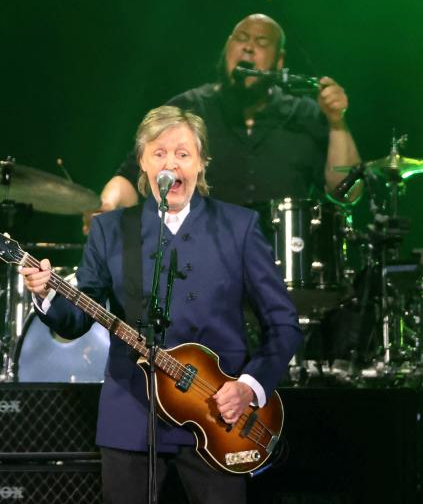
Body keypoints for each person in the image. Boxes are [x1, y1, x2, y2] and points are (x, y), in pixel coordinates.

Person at [21, 106, 302, 503]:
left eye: (183, 154)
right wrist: (46, 292)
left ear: (201, 164)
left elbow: (284, 324)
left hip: (219, 416)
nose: (171, 163)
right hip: (131, 413)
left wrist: (249, 388)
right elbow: (78, 319)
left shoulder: (240, 227)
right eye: (159, 153)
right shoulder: (109, 229)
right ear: (142, 162)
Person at [92, 13, 361, 219]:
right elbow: (130, 177)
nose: (248, 48)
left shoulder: (305, 115)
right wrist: (107, 206)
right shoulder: (187, 110)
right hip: (199, 273)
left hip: (283, 278)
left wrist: (337, 121)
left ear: (279, 61)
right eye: (241, 39)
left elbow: (348, 193)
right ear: (226, 50)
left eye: (261, 42)